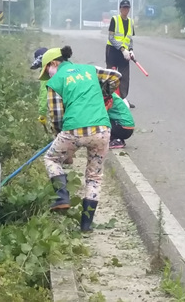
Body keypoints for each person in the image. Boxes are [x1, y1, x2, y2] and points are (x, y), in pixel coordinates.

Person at [39, 45, 121, 232]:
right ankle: (86, 224)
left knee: (51, 159)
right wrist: (105, 92)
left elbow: (57, 116)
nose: (48, 76)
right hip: (101, 129)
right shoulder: (89, 70)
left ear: (53, 63)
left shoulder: (55, 81)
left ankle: (62, 197)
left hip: (73, 130)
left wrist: (61, 140)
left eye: (47, 71)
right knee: (94, 176)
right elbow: (116, 77)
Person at [31, 47, 74, 165]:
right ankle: (68, 156)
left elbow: (44, 94)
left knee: (61, 130)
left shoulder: (50, 77)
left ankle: (66, 158)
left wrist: (42, 113)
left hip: (61, 108)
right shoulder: (71, 69)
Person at [106, 0, 136, 108]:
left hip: (125, 53)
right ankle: (108, 98)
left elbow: (130, 39)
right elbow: (111, 37)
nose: (125, 10)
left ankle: (123, 99)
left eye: (127, 8)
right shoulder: (115, 19)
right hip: (113, 51)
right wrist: (122, 49)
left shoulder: (131, 22)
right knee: (110, 75)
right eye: (123, 8)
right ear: (120, 9)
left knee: (125, 76)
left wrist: (131, 50)